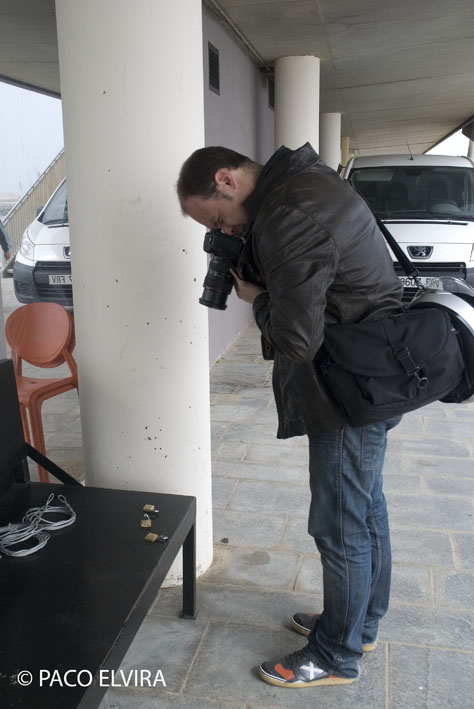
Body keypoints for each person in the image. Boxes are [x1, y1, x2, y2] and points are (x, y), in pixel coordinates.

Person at [176, 143, 403, 688]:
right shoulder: (304, 184)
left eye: (216, 219)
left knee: (340, 523)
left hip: (347, 388)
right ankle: (359, 626)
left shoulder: (288, 213)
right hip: (372, 371)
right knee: (364, 508)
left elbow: (298, 340)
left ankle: (336, 656)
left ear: (226, 180)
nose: (225, 230)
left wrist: (257, 298)